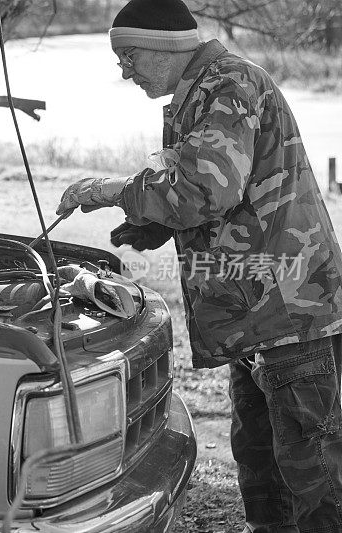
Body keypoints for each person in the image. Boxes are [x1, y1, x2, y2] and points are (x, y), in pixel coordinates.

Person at [56, 0, 342, 531]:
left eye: (127, 54)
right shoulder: (201, 92)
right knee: (261, 462)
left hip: (289, 312)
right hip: (254, 312)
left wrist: (110, 191)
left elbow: (207, 186)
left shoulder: (227, 84)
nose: (124, 70)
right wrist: (157, 224)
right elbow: (226, 192)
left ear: (164, 47)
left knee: (314, 470)